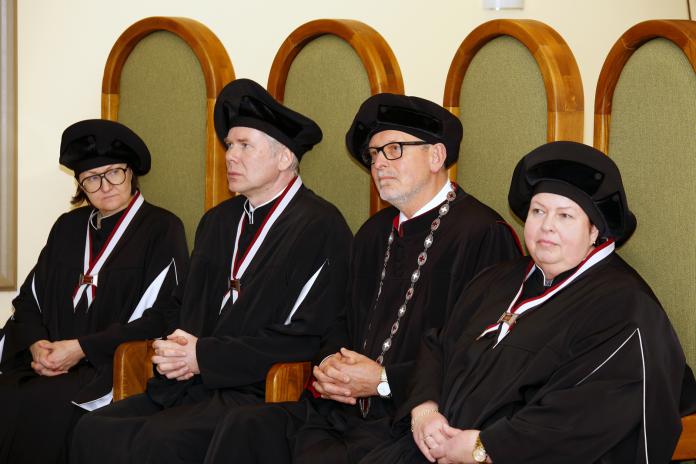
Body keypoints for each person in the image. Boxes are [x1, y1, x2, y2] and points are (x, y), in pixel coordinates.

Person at [202, 93, 522, 464]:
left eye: (393, 150)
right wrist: (331, 365)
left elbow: (480, 358)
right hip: (343, 412)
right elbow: (341, 319)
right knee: (244, 427)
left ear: (436, 156)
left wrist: (385, 381)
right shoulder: (373, 233)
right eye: (373, 154)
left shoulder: (483, 234)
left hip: (414, 421)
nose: (379, 163)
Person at [70, 78, 353, 464]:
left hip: (255, 390)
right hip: (189, 385)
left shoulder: (321, 226)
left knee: (160, 441)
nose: (230, 156)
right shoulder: (218, 221)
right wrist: (176, 345)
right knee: (93, 428)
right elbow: (182, 305)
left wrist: (206, 356)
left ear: (285, 158)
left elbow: (309, 337)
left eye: (244, 146)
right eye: (229, 145)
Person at [360, 141, 696, 464]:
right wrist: (425, 411)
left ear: (595, 230)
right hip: (434, 447)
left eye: (565, 216)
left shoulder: (624, 308)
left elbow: (585, 416)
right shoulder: (497, 279)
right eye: (538, 211)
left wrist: (483, 447)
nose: (547, 226)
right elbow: (438, 347)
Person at [0, 119, 189, 463]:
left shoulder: (162, 228)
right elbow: (29, 299)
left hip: (107, 367)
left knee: (50, 410)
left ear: (131, 173)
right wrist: (36, 344)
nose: (105, 186)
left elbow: (164, 316)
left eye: (114, 172)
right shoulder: (67, 227)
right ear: (81, 185)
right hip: (49, 364)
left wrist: (82, 349)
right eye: (91, 178)